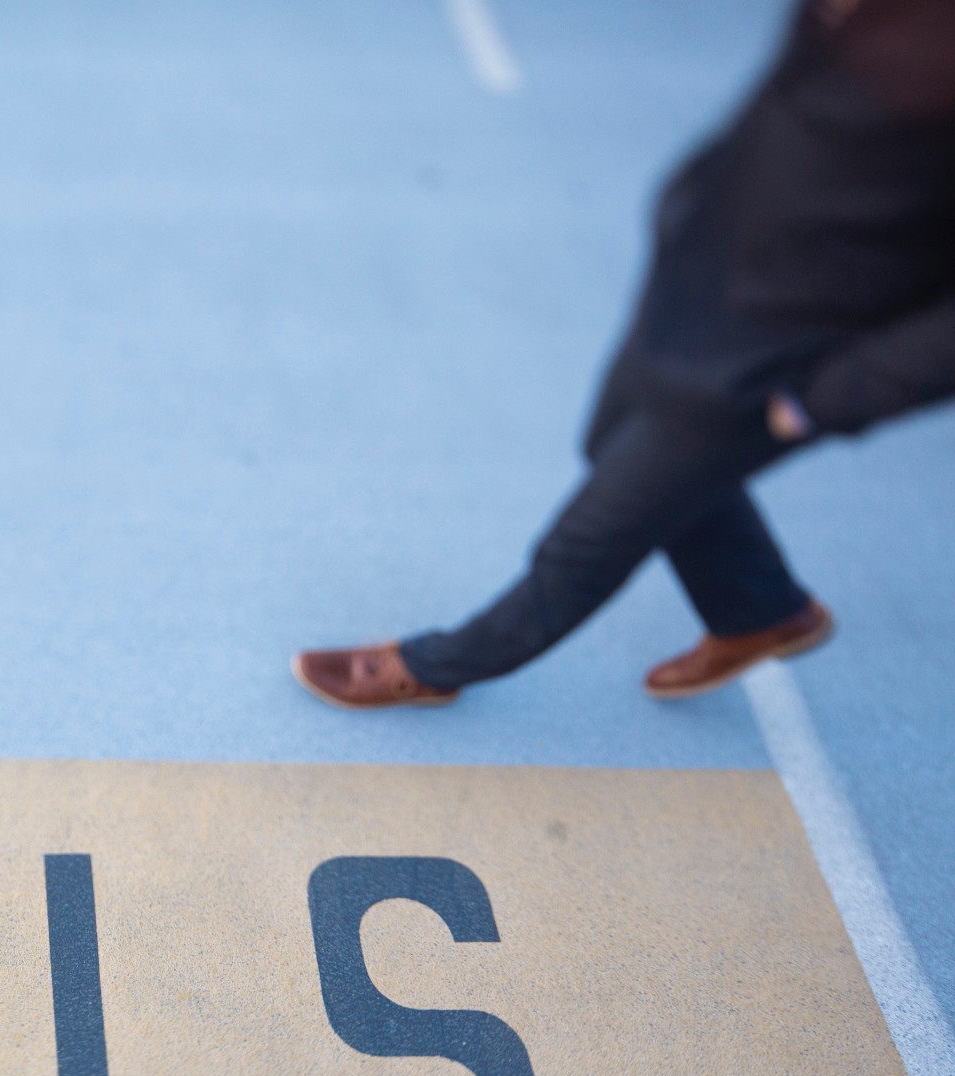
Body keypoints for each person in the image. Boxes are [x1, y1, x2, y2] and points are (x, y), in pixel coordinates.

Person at [295, 0, 955, 710]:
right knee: (609, 440)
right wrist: (688, 200)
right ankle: (761, 610)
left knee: (588, 541)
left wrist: (829, 398)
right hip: (702, 279)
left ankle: (438, 664)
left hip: (779, 356)